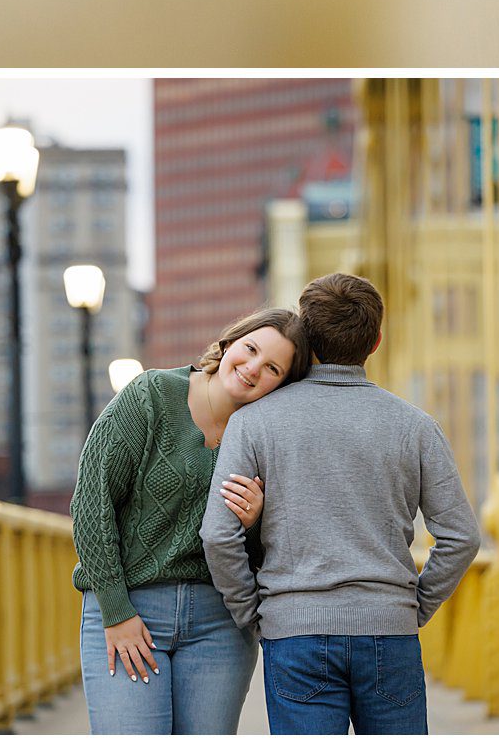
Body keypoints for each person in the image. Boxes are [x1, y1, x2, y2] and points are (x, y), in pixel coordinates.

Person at [202, 270, 481, 735]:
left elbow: (217, 534)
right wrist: (411, 606)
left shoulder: (253, 422)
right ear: (375, 343)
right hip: (389, 631)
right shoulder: (416, 427)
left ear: (306, 340)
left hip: (294, 633)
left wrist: (254, 615)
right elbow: (462, 538)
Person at [71, 308, 310, 734]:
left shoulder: (268, 435)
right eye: (251, 349)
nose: (254, 368)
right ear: (229, 343)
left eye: (273, 368)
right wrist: (116, 611)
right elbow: (92, 503)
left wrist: (255, 521)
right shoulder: (151, 396)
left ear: (282, 384)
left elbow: (273, 553)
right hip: (132, 609)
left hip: (219, 625)